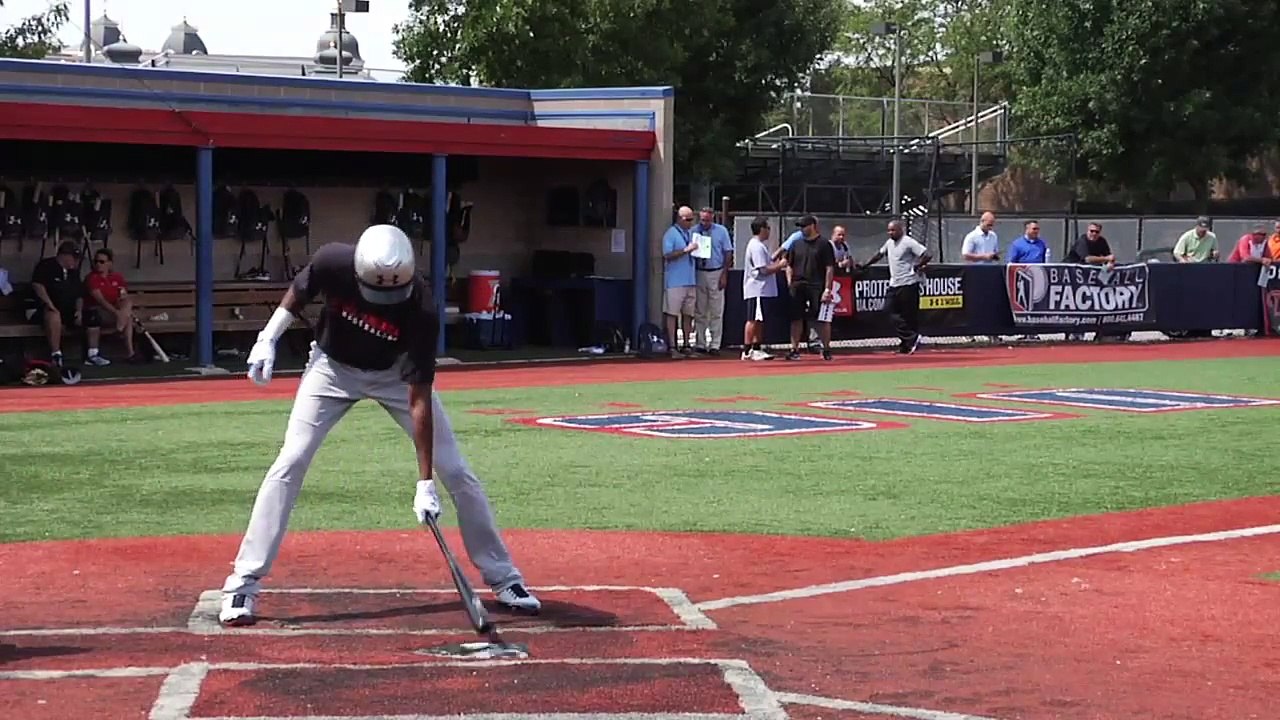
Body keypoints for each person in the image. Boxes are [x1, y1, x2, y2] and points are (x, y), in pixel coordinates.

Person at [217, 224, 540, 626]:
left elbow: (418, 395)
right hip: (332, 368)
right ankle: (243, 583)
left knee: (457, 472)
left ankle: (504, 577)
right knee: (290, 461)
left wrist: (425, 483)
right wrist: (268, 337)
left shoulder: (421, 305)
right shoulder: (333, 259)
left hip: (393, 374)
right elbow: (300, 292)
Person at [854, 219, 932, 355]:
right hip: (894, 283)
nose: (890, 233)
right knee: (888, 311)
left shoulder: (908, 242)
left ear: (900, 229)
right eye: (889, 230)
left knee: (909, 316)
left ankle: (906, 345)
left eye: (893, 230)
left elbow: (927, 254)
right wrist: (865, 265)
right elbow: (879, 254)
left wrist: (918, 266)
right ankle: (912, 338)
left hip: (909, 283)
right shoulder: (889, 243)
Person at [29, 241, 106, 367]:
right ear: (64, 255)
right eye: (74, 258)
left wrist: (79, 311)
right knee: (54, 315)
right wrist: (50, 305)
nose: (76, 262)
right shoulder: (46, 265)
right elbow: (38, 286)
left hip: (67, 310)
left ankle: (93, 354)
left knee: (93, 316)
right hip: (43, 310)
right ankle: (56, 354)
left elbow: (79, 294)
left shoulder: (73, 272)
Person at [783, 215, 836, 361]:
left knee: (822, 319)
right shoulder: (796, 244)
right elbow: (789, 264)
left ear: (812, 225)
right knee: (796, 318)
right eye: (800, 226)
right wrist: (790, 283)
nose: (802, 229)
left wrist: (827, 289)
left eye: (804, 226)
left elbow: (829, 268)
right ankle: (794, 349)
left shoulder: (824, 244)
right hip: (798, 285)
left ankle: (826, 349)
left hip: (817, 285)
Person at [741, 216, 787, 360]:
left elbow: (766, 264)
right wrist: (780, 265)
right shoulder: (756, 246)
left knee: (759, 319)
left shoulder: (760, 246)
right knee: (753, 319)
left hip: (763, 290)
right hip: (757, 289)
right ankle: (747, 350)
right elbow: (763, 270)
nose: (769, 231)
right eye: (767, 228)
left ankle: (756, 348)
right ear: (761, 229)